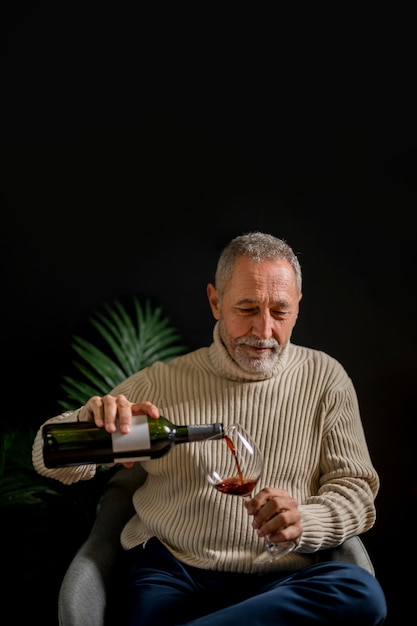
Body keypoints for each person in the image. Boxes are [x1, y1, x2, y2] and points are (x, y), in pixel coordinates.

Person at [32, 231, 387, 625]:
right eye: (247, 308)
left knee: (362, 594)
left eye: (280, 312)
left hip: (284, 580)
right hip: (173, 573)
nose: (264, 331)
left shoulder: (326, 379)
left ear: (298, 308)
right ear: (215, 302)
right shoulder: (159, 385)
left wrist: (305, 520)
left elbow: (356, 492)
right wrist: (91, 423)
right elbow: (50, 461)